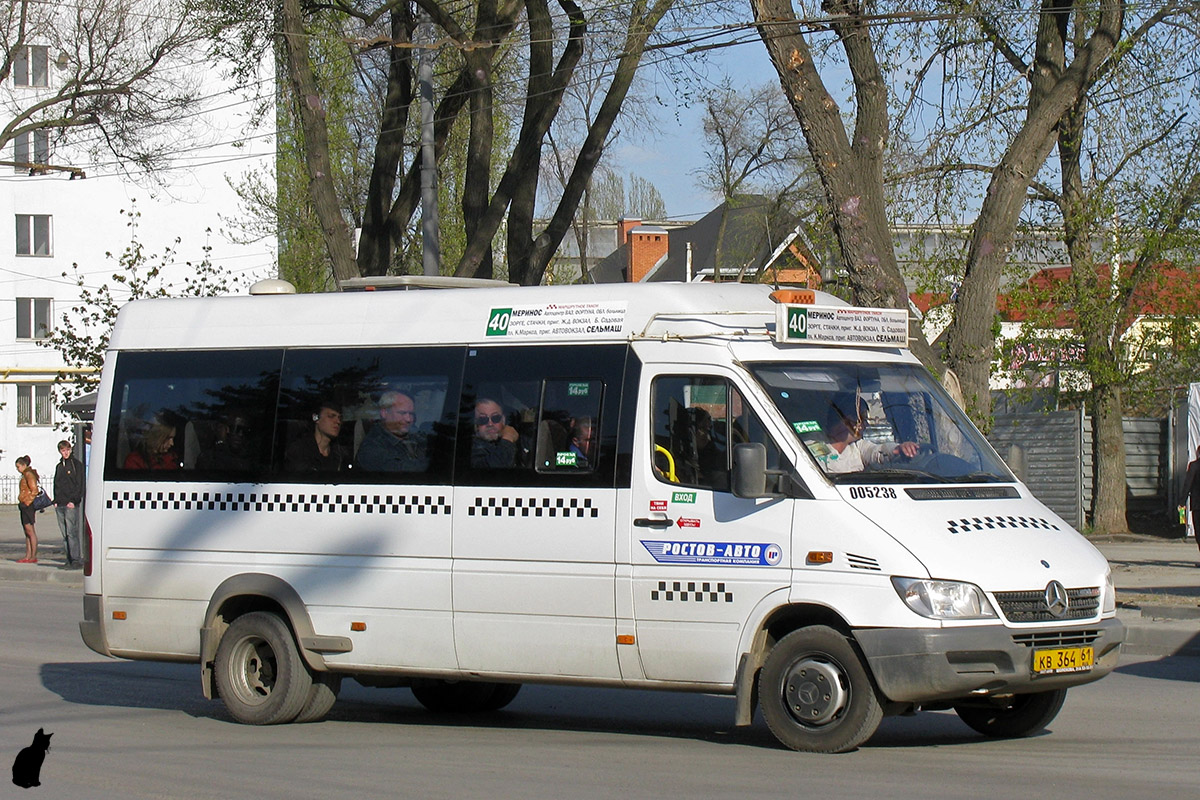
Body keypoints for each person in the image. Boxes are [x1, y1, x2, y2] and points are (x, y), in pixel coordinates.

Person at [821, 393, 919, 474]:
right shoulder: (812, 444)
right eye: (862, 418)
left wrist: (899, 449)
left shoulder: (858, 447)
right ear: (849, 418)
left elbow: (877, 452)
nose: (866, 424)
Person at [356, 391, 429, 472]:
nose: (408, 419)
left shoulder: (416, 438)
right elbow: (402, 471)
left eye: (411, 414)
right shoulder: (372, 447)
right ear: (384, 413)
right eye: (402, 413)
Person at [284, 400, 346, 473]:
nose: (337, 422)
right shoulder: (299, 450)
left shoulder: (340, 455)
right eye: (331, 416)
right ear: (316, 418)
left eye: (340, 418)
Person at [53, 441, 84, 569]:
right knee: (64, 533)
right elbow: (57, 484)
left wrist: (74, 500)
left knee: (72, 532)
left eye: (67, 450)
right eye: (62, 451)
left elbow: (80, 484)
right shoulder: (60, 466)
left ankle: (75, 559)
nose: (65, 453)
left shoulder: (76, 465)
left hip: (70, 503)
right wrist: (55, 500)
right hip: (60, 504)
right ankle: (69, 558)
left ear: (70, 450)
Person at [471, 398, 519, 468]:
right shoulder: (472, 449)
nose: (490, 424)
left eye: (496, 417)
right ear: (476, 424)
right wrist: (508, 439)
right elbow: (494, 471)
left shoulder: (519, 441)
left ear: (503, 420)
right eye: (483, 419)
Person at [14, 456, 40, 564]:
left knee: (30, 531)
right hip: (24, 504)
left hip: (28, 505)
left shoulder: (28, 474)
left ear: (24, 465)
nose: (17, 469)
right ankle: (28, 555)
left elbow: (34, 490)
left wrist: (27, 501)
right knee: (27, 531)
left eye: (18, 467)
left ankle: (33, 555)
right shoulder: (25, 475)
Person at [1186, 445, 1200, 559]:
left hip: (1197, 505)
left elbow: (1188, 484)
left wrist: (1182, 501)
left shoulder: (1194, 466)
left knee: (1199, 532)